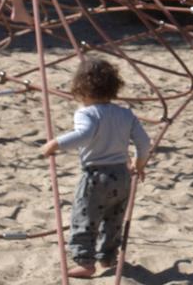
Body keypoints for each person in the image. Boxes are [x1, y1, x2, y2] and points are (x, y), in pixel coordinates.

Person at [39, 57, 150, 278]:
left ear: (81, 90)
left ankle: (85, 262)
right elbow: (144, 143)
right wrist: (139, 164)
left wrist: (55, 144)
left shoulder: (86, 113)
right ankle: (108, 258)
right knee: (114, 219)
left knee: (84, 219)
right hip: (122, 175)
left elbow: (84, 135)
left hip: (96, 176)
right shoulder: (126, 114)